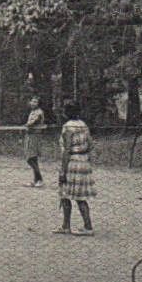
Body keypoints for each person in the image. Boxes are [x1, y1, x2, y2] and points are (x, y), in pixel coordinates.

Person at [56, 100, 94, 235]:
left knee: (65, 194)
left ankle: (74, 226)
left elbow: (66, 150)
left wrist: (63, 170)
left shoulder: (68, 127)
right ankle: (85, 225)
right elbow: (90, 144)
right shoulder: (84, 126)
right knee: (80, 195)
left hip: (72, 161)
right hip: (83, 161)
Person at [23, 95, 46, 187]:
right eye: (32, 101)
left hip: (35, 136)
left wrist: (27, 125)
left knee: (30, 158)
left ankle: (40, 179)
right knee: (32, 159)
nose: (32, 103)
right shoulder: (32, 112)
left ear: (39, 104)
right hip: (29, 136)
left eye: (35, 102)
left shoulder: (39, 112)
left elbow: (32, 122)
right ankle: (36, 179)